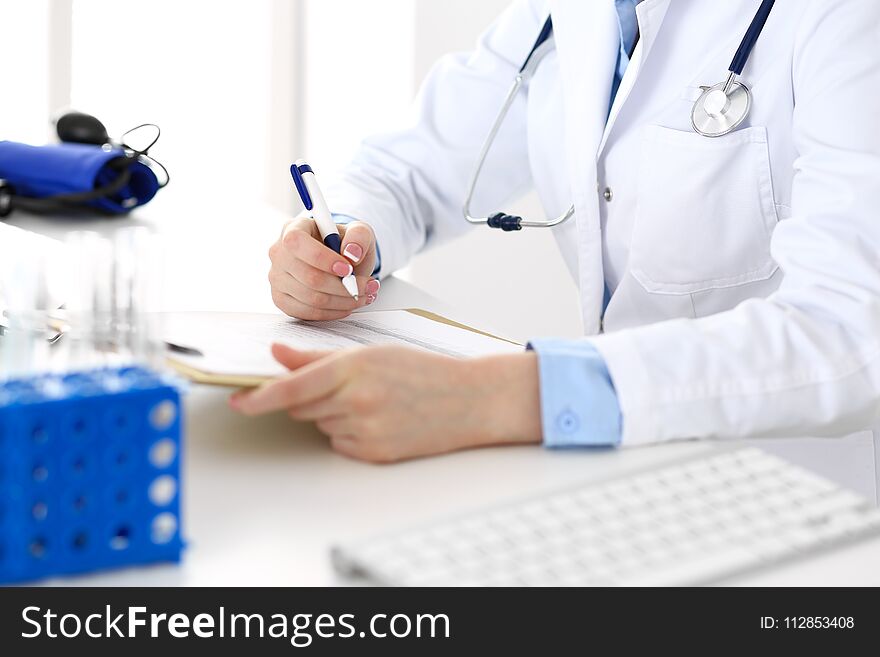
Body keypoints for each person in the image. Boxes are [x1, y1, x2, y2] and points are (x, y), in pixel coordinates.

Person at [230, 0, 880, 472]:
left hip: (814, 498)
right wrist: (342, 236)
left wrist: (503, 394)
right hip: (620, 473)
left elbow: (853, 331)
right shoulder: (572, 12)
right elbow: (411, 170)